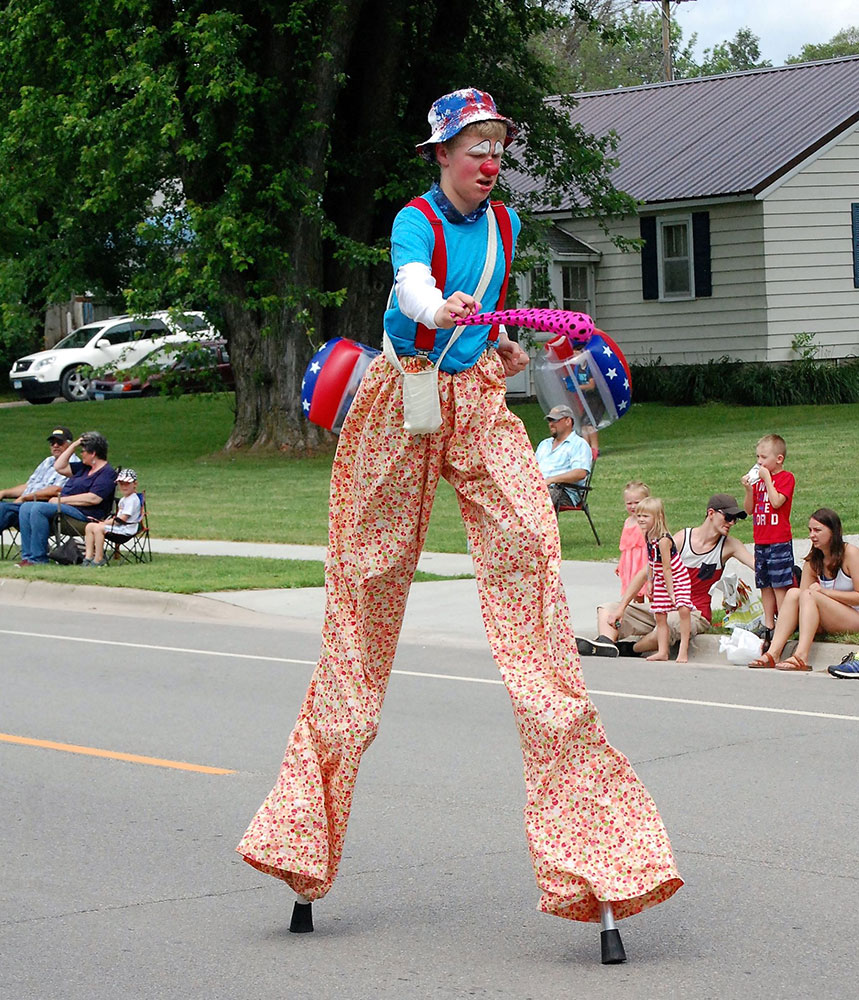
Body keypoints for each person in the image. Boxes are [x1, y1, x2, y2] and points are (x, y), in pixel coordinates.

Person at [238, 88, 681, 937]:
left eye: (495, 146)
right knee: (361, 605)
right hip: (398, 403)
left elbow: (487, 312)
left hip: (474, 405)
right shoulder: (415, 219)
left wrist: (500, 346)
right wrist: (432, 307)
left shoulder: (505, 225)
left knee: (528, 560)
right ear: (439, 154)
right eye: (472, 146)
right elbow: (412, 286)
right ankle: (301, 842)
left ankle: (595, 855)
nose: (487, 160)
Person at [578, 493, 755, 657]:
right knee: (607, 609)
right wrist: (621, 608)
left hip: (694, 613)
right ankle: (605, 643)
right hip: (663, 607)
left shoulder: (730, 545)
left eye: (735, 520)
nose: (732, 523)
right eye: (728, 517)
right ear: (711, 513)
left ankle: (629, 649)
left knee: (669, 624)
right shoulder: (681, 539)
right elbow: (646, 571)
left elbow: (756, 566)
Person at [749, 508, 859, 671]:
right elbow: (802, 597)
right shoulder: (814, 559)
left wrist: (825, 593)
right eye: (810, 530)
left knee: (810, 594)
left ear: (833, 531)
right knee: (794, 593)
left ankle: (801, 656)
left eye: (817, 530)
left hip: (853, 617)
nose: (812, 535)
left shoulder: (850, 553)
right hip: (825, 618)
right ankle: (773, 653)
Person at [16, 432, 116, 566]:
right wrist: (74, 444)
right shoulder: (84, 468)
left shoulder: (107, 473)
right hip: (67, 509)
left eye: (83, 451)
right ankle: (27, 557)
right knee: (25, 507)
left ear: (93, 454)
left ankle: (38, 559)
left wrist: (60, 500)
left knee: (38, 508)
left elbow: (94, 498)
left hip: (84, 515)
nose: (81, 454)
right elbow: (59, 467)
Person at [614, 498, 694, 662]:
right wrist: (649, 581)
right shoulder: (648, 536)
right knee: (660, 614)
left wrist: (671, 592)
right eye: (639, 516)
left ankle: (683, 651)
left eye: (646, 516)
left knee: (683, 609)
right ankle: (662, 651)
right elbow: (650, 561)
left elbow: (667, 568)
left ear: (658, 518)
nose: (641, 519)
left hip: (676, 578)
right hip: (660, 577)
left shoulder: (664, 540)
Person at [741, 434, 795, 651]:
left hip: (779, 540)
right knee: (764, 584)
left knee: (779, 584)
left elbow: (776, 501)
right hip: (761, 540)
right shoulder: (759, 481)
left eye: (764, 457)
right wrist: (748, 488)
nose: (759, 462)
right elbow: (749, 509)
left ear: (779, 459)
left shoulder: (785, 478)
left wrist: (767, 480)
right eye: (757, 457)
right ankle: (768, 624)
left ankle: (784, 623)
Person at [0, 426, 73, 535]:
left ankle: (36, 545)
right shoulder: (48, 461)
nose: (55, 445)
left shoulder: (72, 464)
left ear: (70, 445)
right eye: (52, 443)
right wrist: (4, 492)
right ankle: (36, 545)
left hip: (43, 510)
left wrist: (25, 498)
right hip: (25, 506)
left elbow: (56, 490)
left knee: (4, 509)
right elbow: (29, 486)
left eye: (59, 442)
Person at [534, 404, 593, 511]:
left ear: (568, 421)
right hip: (539, 488)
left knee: (540, 497)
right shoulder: (544, 444)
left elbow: (580, 473)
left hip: (564, 491)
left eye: (554, 420)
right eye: (549, 421)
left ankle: (540, 527)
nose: (551, 424)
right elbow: (531, 469)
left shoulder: (579, 444)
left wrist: (551, 480)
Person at [82, 468, 141, 567]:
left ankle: (98, 558)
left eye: (127, 483)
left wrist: (104, 523)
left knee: (98, 528)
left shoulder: (132, 500)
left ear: (135, 484)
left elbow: (122, 519)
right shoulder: (124, 499)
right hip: (119, 527)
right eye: (121, 484)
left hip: (126, 530)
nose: (123, 486)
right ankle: (88, 557)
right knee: (89, 526)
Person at [616, 480, 650, 600]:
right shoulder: (628, 522)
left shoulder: (647, 522)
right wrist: (621, 564)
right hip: (631, 564)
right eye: (629, 503)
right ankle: (639, 614)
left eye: (637, 502)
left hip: (644, 561)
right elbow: (625, 548)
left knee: (651, 591)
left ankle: (655, 615)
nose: (633, 506)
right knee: (635, 592)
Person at [570, 345, 603, 459]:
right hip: (587, 399)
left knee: (590, 423)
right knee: (583, 423)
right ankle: (586, 449)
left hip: (596, 398)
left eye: (577, 354)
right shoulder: (577, 368)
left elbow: (592, 386)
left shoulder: (590, 368)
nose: (575, 357)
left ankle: (595, 449)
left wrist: (578, 387)